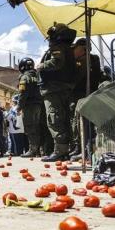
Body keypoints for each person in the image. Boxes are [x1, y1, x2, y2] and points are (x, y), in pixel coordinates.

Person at [37, 23, 77, 162]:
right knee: (64, 119)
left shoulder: (58, 47)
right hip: (62, 88)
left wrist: (41, 66)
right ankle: (65, 150)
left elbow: (56, 63)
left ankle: (60, 151)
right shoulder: (67, 48)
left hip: (54, 89)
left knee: (54, 119)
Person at [69, 38, 103, 161]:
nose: (73, 51)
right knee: (84, 124)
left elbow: (76, 79)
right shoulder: (94, 59)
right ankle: (83, 149)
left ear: (82, 49)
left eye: (75, 49)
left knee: (81, 124)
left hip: (81, 95)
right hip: (89, 94)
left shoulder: (83, 61)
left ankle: (85, 151)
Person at [17, 57, 53, 158]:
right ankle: (42, 150)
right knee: (40, 127)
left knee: (30, 127)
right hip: (41, 105)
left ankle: (32, 150)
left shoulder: (25, 77)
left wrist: (19, 106)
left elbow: (22, 93)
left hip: (30, 106)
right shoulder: (39, 75)